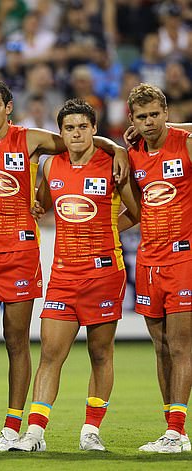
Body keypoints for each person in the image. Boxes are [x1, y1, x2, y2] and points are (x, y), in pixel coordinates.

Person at [0, 78, 128, 452]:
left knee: (18, 343)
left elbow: (78, 141)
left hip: (21, 257)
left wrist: (117, 149)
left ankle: (13, 429)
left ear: (8, 107)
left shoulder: (31, 140)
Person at [9, 98, 140, 452]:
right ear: (61, 133)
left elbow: (138, 210)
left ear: (94, 130)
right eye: (69, 128)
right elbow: (43, 202)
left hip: (103, 274)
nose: (76, 133)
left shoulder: (112, 163)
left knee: (101, 354)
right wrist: (37, 205)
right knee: (51, 353)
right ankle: (34, 434)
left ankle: (90, 431)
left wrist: (108, 228)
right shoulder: (50, 167)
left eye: (83, 126)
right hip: (64, 275)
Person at [125, 83, 192, 453]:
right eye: (142, 116)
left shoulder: (184, 143)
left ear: (166, 113)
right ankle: (173, 429)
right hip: (149, 260)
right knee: (162, 347)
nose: (149, 122)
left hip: (184, 257)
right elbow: (133, 211)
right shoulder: (133, 156)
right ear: (132, 119)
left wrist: (180, 126)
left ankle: (177, 430)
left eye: (155, 114)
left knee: (182, 346)